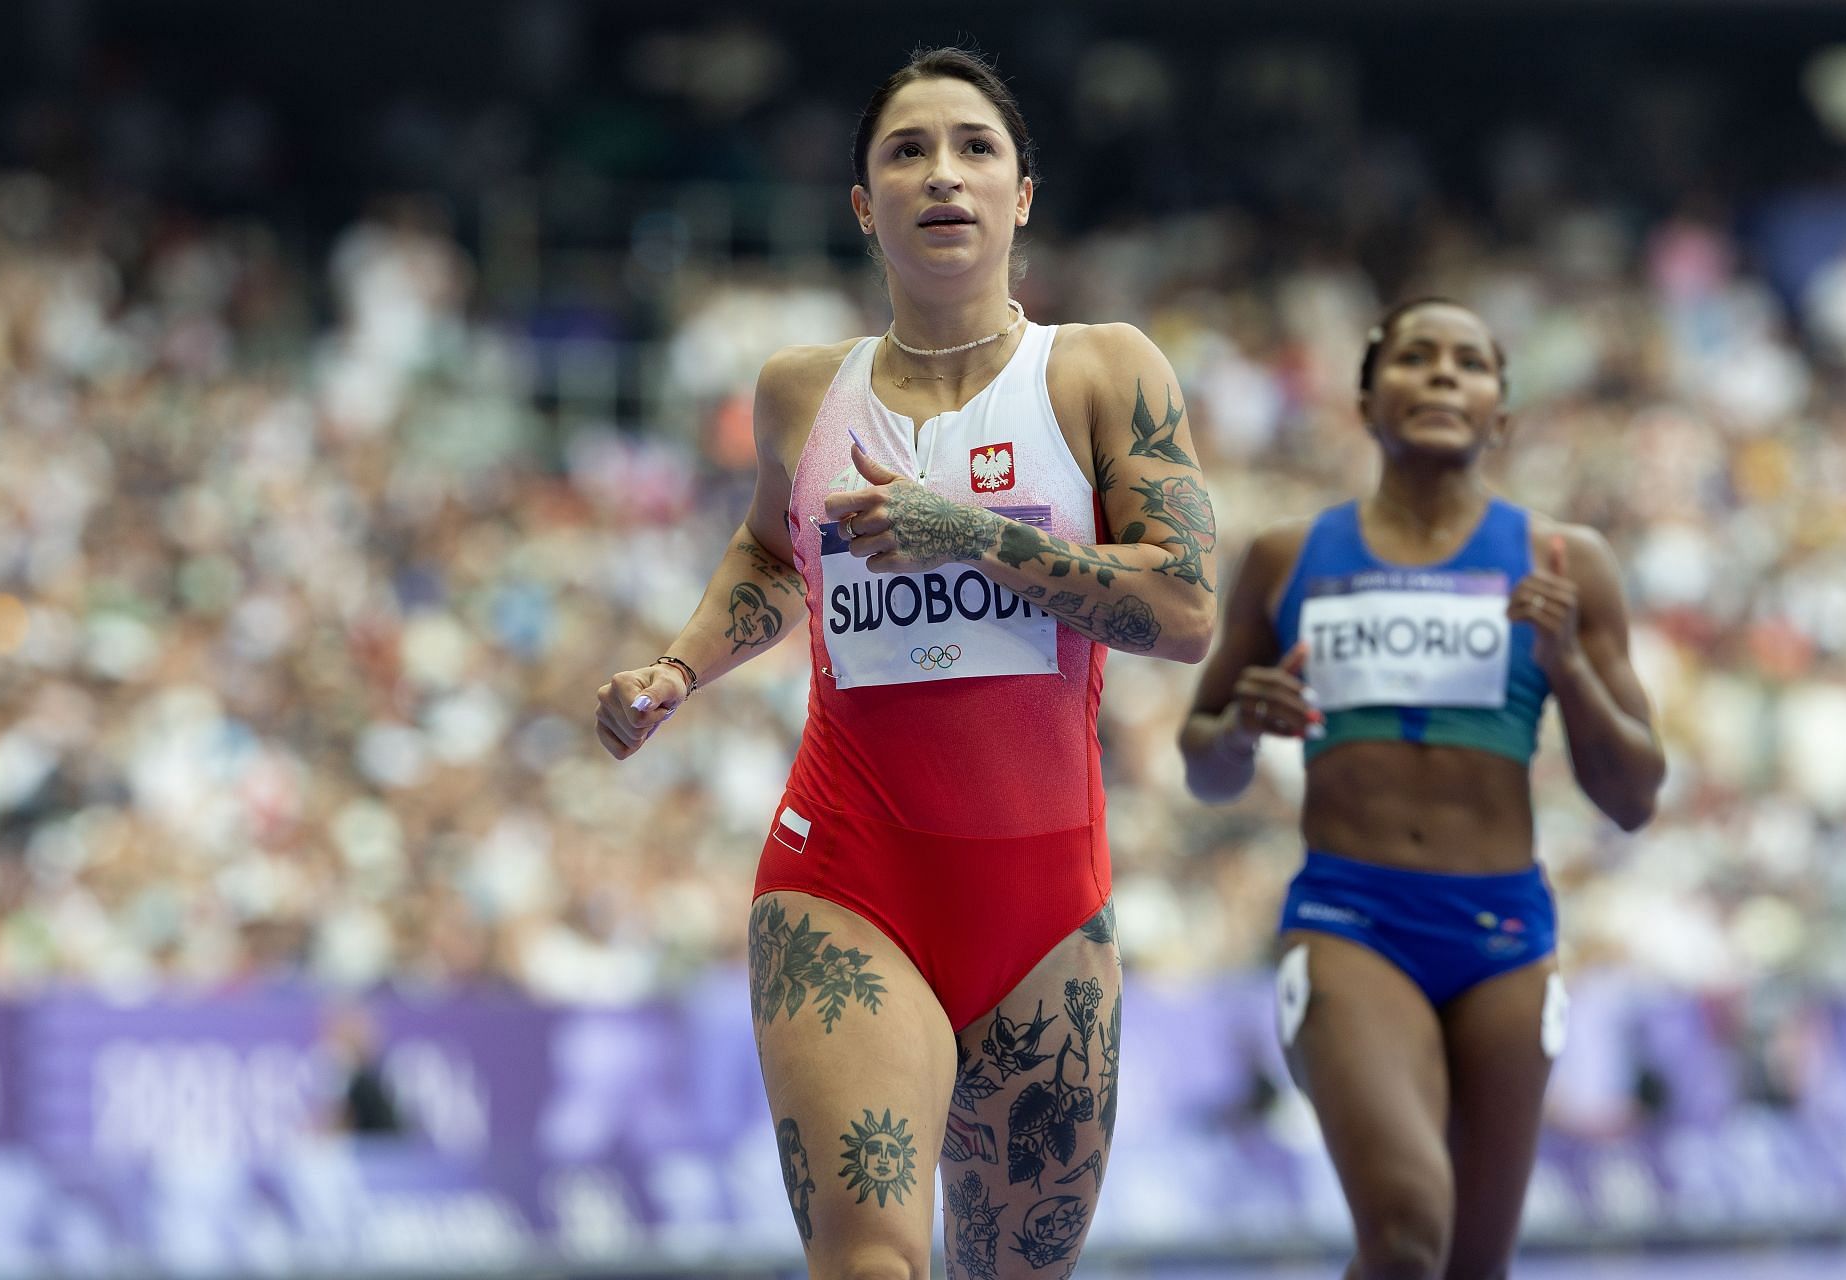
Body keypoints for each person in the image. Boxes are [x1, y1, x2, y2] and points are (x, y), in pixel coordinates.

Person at [595, 47, 1218, 1280]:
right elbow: (774, 557)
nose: (944, 173)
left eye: (976, 148)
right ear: (861, 204)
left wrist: (970, 536)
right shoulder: (799, 393)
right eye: (907, 150)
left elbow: (1185, 607)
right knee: (870, 1260)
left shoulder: (1103, 370)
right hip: (847, 877)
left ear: (1022, 195)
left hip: (1046, 907)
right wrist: (675, 670)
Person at [1180, 298, 1665, 1280]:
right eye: (1416, 356)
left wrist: (1566, 666)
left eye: (1471, 363)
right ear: (1366, 400)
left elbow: (1635, 793)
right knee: (1407, 1231)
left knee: (1472, 1265)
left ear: (1501, 415)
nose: (1444, 375)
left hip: (1502, 935)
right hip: (1351, 921)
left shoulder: (1566, 562)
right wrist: (1241, 725)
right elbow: (1204, 760)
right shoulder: (1287, 557)